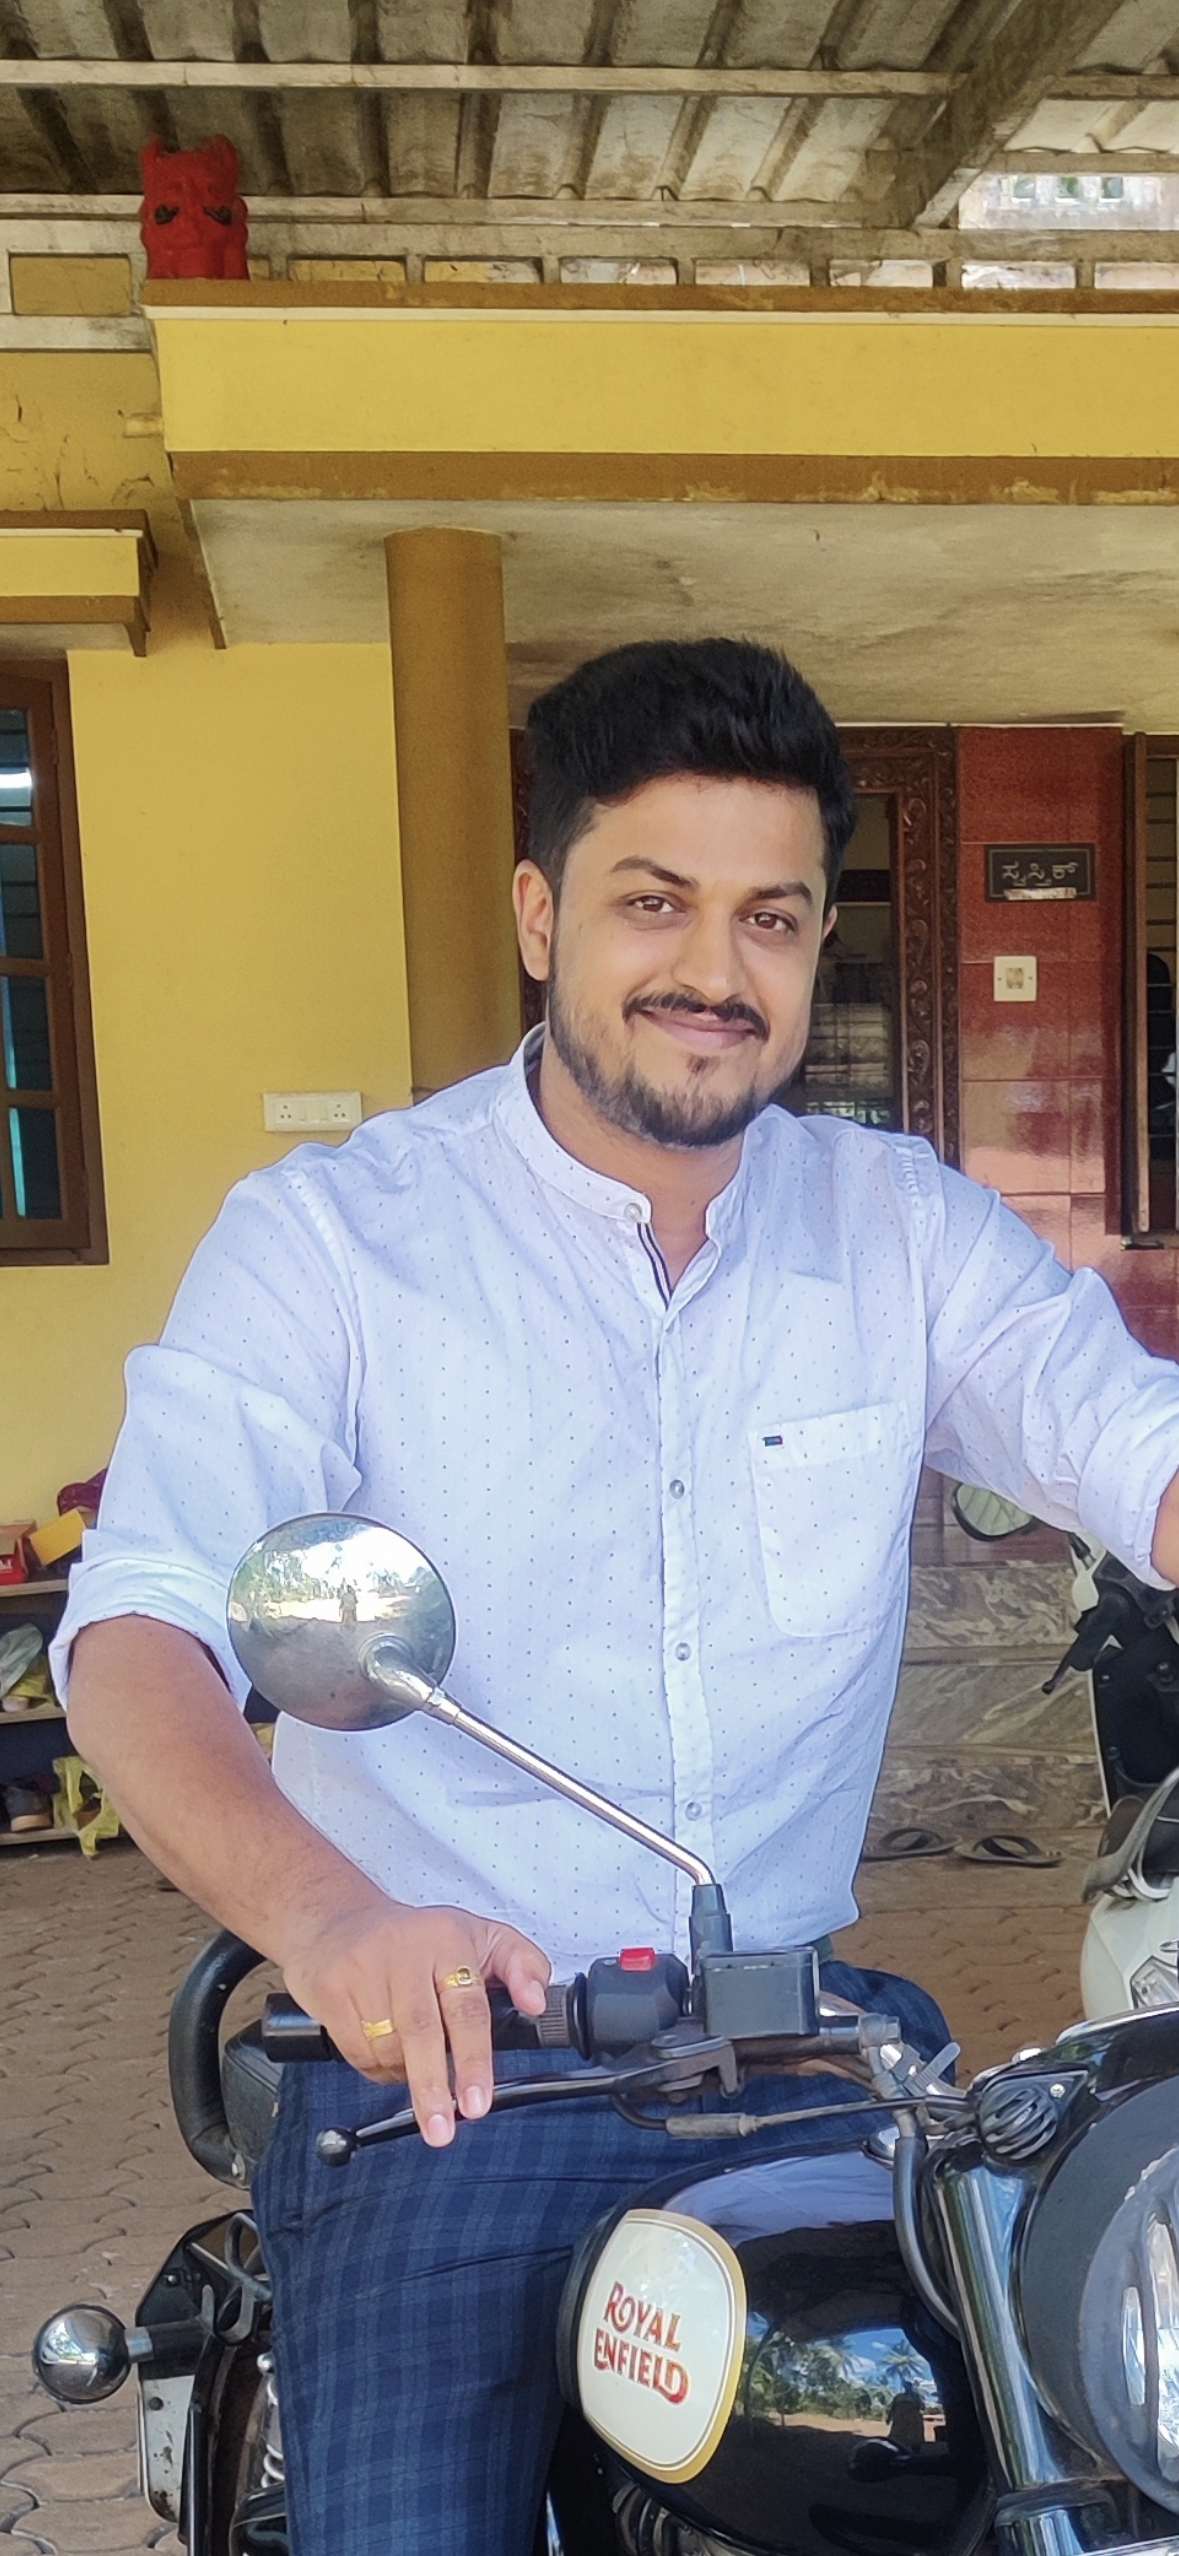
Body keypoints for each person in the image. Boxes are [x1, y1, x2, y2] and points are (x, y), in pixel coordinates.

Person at [55, 639, 1179, 2555]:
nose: (711, 971)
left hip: (804, 2044)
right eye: (652, 902)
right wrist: (332, 1924)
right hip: (445, 2074)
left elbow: (1128, 1437)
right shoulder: (335, 1241)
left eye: (769, 917)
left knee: (1029, 2465)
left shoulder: (899, 1228)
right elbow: (136, 1635)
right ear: (538, 915)